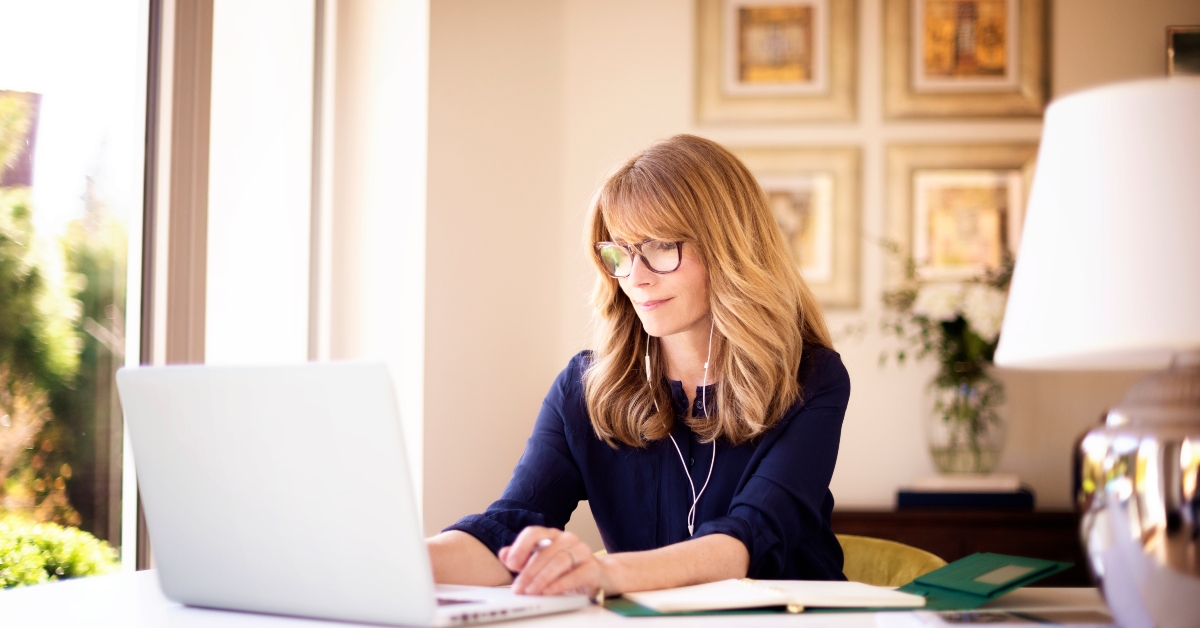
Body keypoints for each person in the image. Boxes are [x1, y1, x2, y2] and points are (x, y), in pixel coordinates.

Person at [425, 134, 850, 599]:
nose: (636, 275)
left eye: (662, 247)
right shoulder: (585, 388)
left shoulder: (811, 378)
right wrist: (399, 560)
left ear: (729, 247)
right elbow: (510, 528)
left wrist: (604, 573)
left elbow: (750, 538)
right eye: (620, 252)